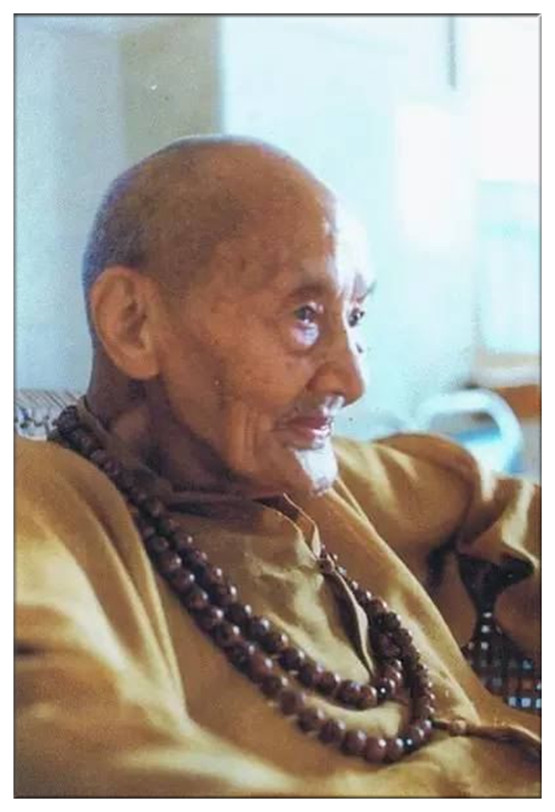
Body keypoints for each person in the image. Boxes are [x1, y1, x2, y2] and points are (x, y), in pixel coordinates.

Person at [15, 136, 540, 798]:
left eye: (354, 316)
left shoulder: (301, 476)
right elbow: (72, 748)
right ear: (133, 324)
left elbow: (504, 505)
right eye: (303, 315)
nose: (352, 380)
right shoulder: (38, 504)